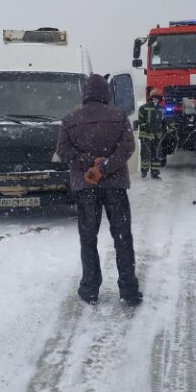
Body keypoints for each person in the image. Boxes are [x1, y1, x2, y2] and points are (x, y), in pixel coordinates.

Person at [57, 73, 143, 306]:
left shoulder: (70, 120)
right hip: (115, 187)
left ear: (85, 93)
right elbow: (128, 147)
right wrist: (105, 166)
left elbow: (63, 151)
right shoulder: (119, 116)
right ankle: (129, 290)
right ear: (106, 92)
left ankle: (90, 289)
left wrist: (87, 163)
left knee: (88, 238)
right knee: (123, 238)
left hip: (85, 187)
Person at [138, 88, 165, 179]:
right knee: (145, 154)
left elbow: (164, 121)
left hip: (157, 136)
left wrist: (167, 126)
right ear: (151, 97)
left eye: (158, 97)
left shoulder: (162, 109)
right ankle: (144, 172)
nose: (156, 99)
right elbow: (140, 121)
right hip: (146, 136)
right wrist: (146, 126)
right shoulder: (143, 108)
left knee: (156, 154)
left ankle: (155, 173)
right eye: (155, 97)